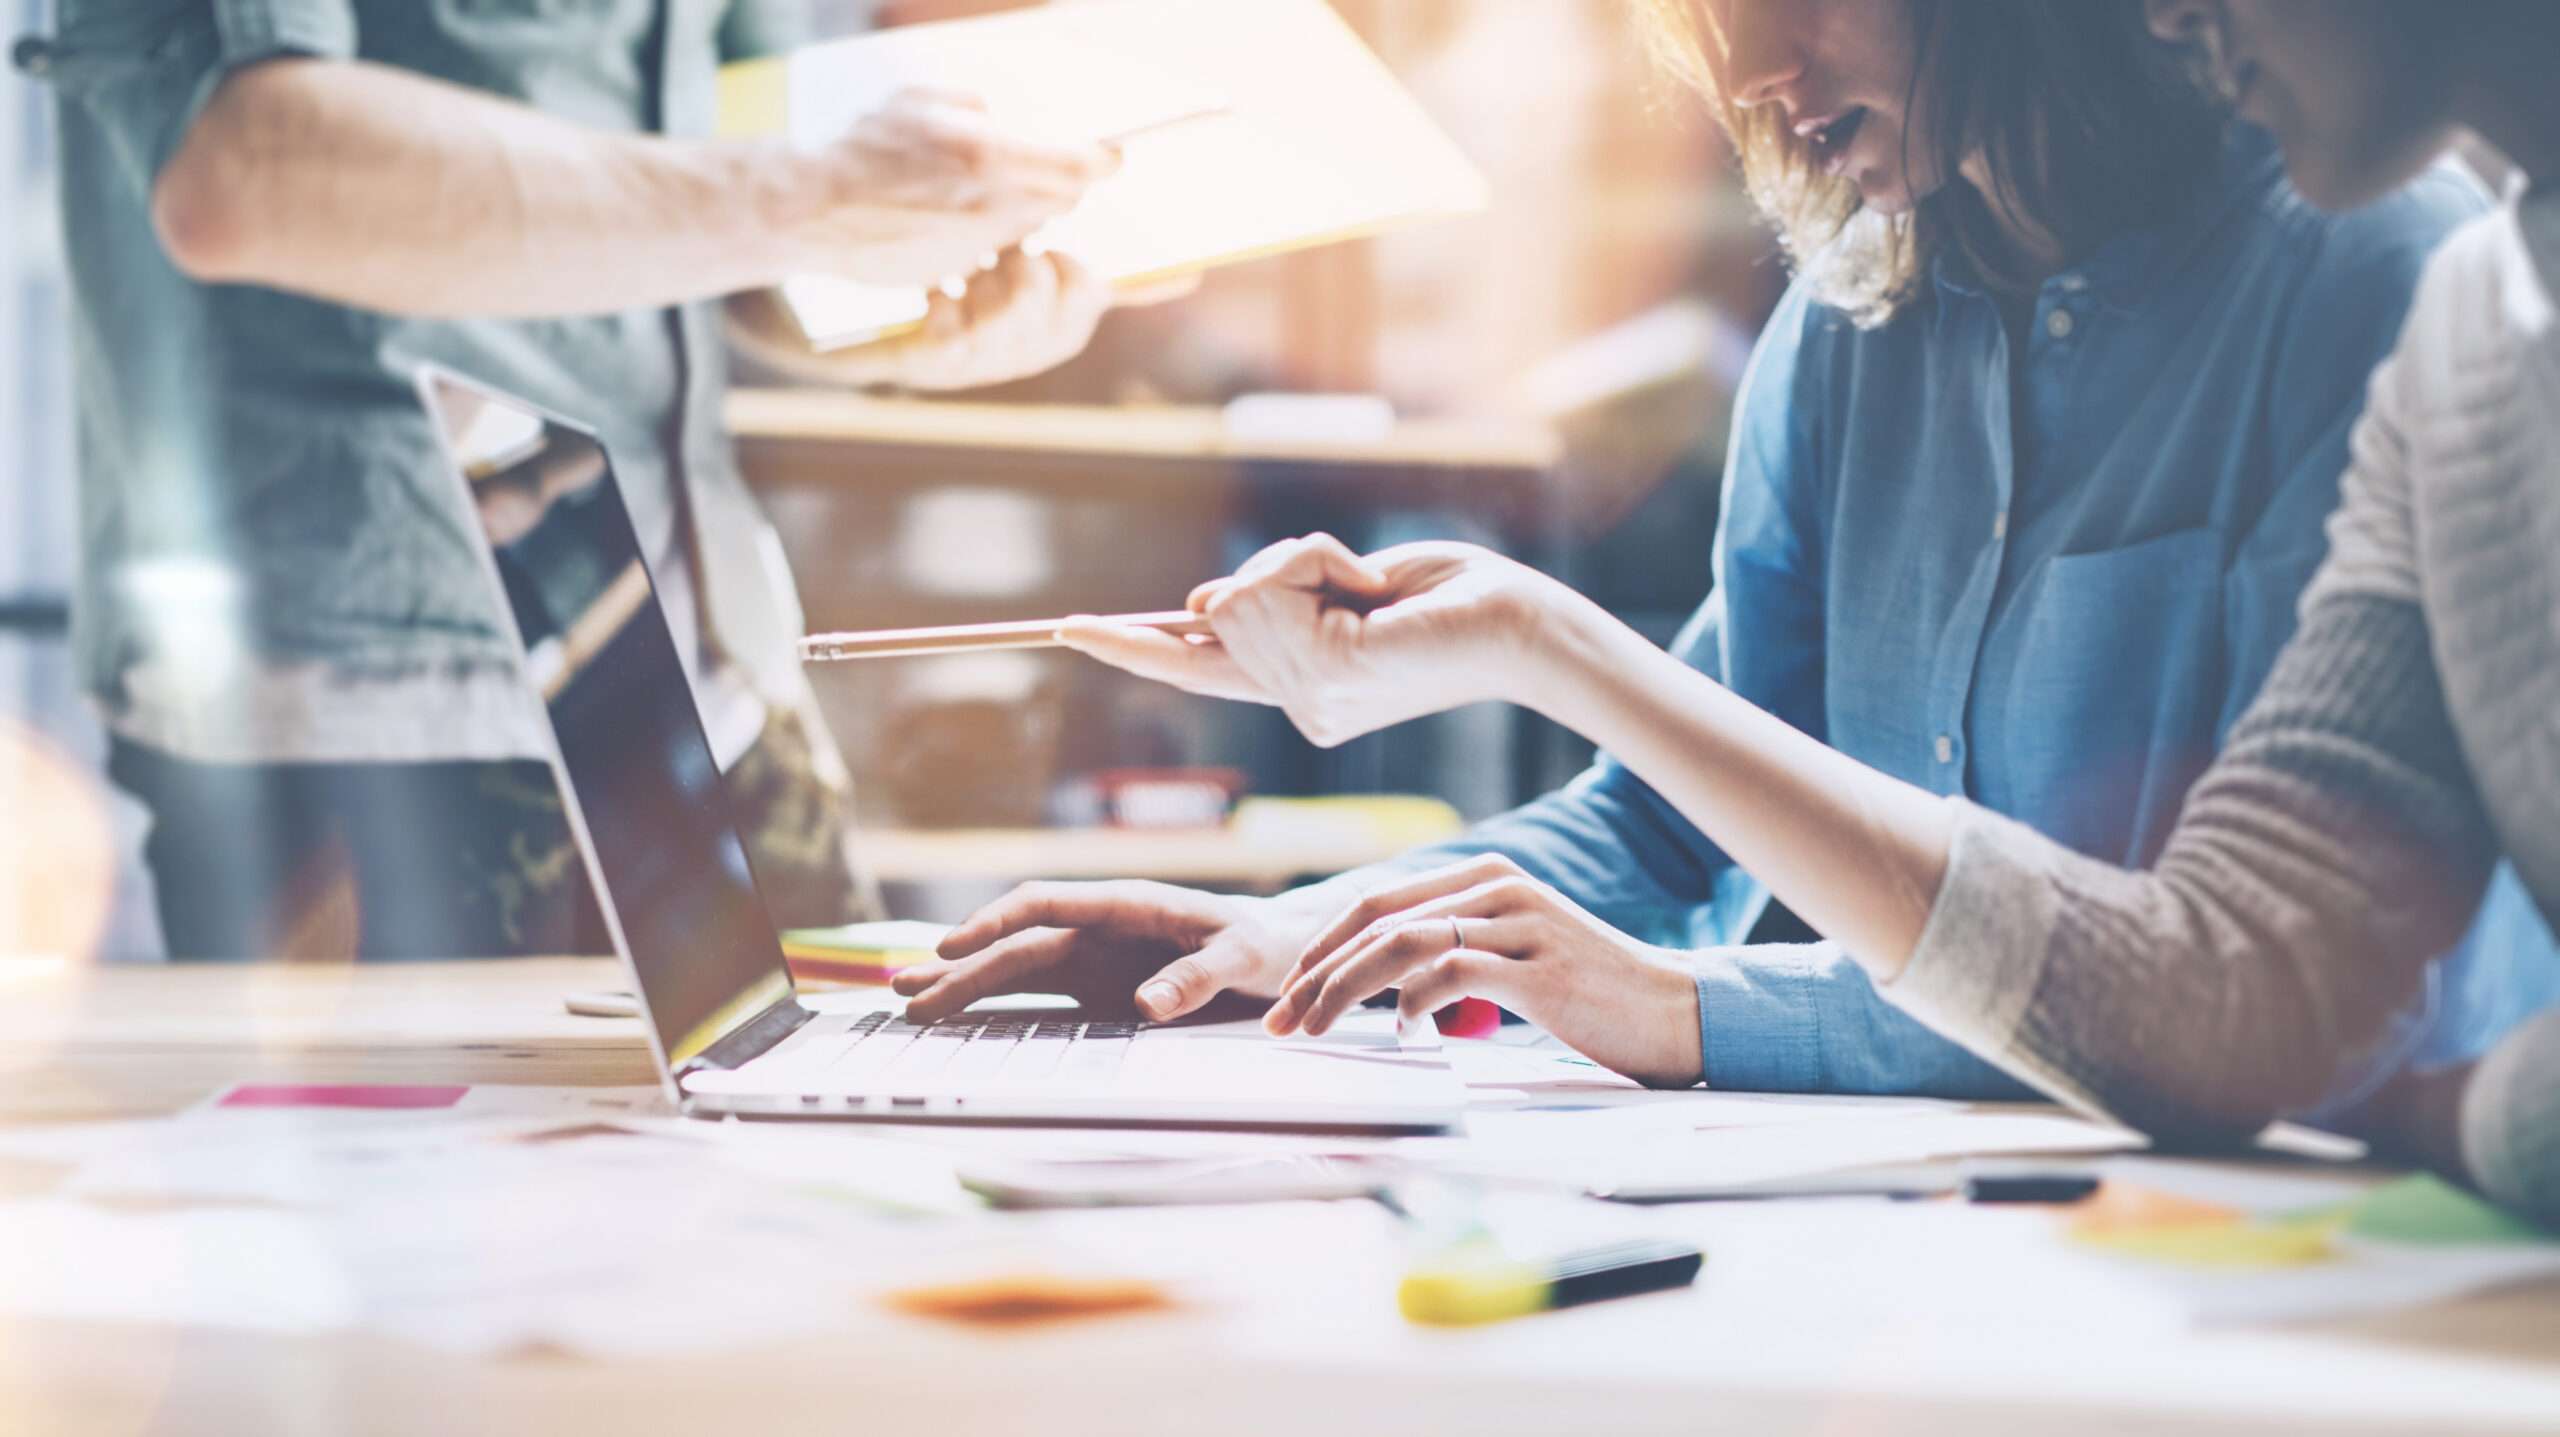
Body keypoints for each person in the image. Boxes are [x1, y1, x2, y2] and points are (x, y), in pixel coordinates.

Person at [965, 0, 2560, 1224]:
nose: (1752, 78)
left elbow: (2248, 996)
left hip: (2317, 1226)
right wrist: (1283, 939)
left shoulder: (2387, 279)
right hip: (1983, 1234)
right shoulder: (1854, 322)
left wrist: (1692, 1011)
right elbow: (1669, 836)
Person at [20, 1, 1154, 958]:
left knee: (818, 1182)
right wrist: (811, 196)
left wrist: (908, 312)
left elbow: (738, 174)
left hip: (719, 668)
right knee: (419, 1216)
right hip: (386, 707)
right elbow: (243, 168)